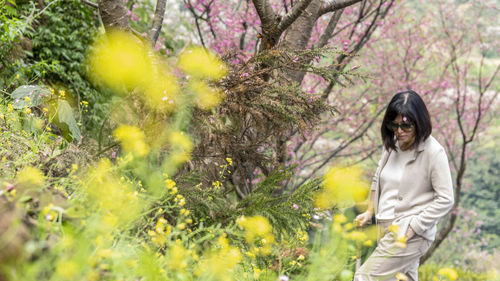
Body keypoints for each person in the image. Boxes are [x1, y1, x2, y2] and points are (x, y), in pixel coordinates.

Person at [353, 90, 454, 281]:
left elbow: (446, 199)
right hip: (384, 226)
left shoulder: (434, 152)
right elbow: (378, 178)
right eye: (394, 125)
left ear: (420, 122)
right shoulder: (392, 145)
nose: (399, 131)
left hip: (409, 232)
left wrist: (413, 227)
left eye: (406, 126)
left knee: (364, 277)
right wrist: (369, 211)